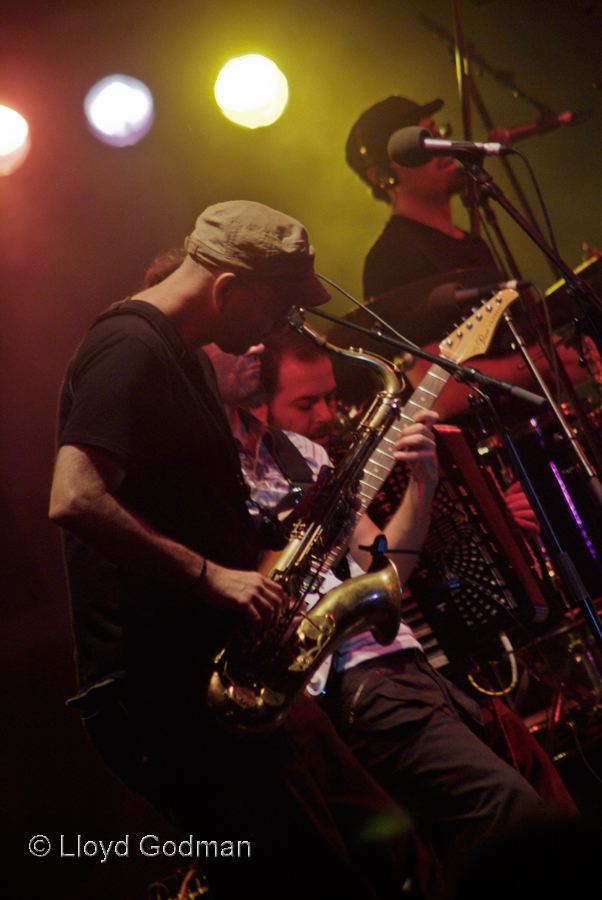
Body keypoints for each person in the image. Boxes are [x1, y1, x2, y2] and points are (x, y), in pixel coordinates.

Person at [49, 200, 421, 900]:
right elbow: (74, 497)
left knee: (361, 862)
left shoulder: (179, 354)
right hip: (160, 692)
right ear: (228, 289)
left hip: (207, 675)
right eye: (278, 305)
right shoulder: (130, 347)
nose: (286, 324)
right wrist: (210, 575)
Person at [210, 333, 572, 895]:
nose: (326, 415)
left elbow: (386, 569)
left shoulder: (305, 456)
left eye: (331, 398)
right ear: (258, 397)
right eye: (307, 404)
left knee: (489, 832)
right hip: (350, 684)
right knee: (515, 816)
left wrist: (423, 485)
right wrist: (292, 543)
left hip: (410, 664)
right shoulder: (212, 474)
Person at [345, 95, 593, 422]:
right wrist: (547, 361)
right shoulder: (390, 258)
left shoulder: (473, 240)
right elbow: (439, 393)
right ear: (383, 175)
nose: (444, 146)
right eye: (424, 144)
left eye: (438, 133)